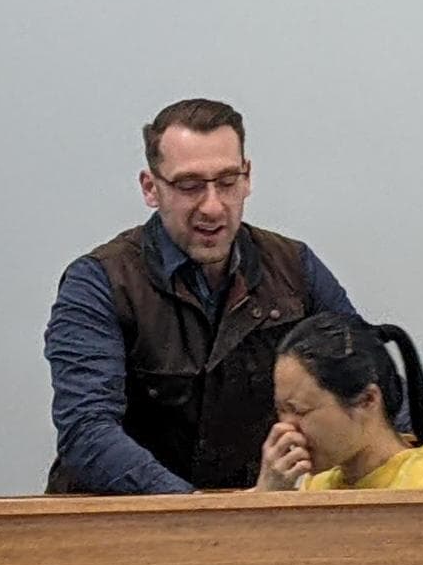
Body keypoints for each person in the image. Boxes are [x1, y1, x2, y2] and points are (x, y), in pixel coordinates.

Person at [44, 98, 369, 493]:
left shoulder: (295, 266)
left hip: (249, 517)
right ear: (151, 187)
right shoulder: (98, 282)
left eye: (228, 182)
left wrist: (407, 475)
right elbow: (86, 430)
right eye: (189, 186)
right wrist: (198, 511)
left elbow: (366, 381)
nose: (213, 207)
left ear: (247, 177)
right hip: (116, 527)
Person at [255, 312, 423, 491]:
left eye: (300, 411)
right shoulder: (317, 485)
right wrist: (269, 497)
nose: (286, 428)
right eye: (281, 410)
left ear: (367, 400)